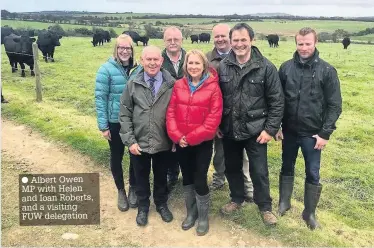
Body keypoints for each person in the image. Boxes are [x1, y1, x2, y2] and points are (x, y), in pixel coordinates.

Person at [218, 23, 284, 226]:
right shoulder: (223, 66)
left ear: (251, 40)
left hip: (257, 130)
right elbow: (217, 98)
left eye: (243, 40)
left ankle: (265, 207)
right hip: (229, 128)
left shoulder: (266, 67)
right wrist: (218, 124)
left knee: (259, 170)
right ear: (231, 42)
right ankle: (236, 199)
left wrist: (270, 129)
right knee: (232, 167)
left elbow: (277, 101)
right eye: (235, 40)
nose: (239, 44)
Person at [277, 27, 342, 230]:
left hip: (313, 135)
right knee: (286, 167)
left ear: (316, 43)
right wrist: (277, 126)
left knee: (312, 173)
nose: (303, 48)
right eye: (300, 44)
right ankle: (284, 202)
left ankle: (309, 213)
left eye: (308, 43)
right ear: (295, 44)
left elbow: (335, 105)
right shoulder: (286, 68)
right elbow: (278, 101)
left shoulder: (327, 71)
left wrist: (325, 133)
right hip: (288, 131)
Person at [166, 50, 222, 236]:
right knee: (187, 178)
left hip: (202, 144)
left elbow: (213, 120)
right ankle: (191, 212)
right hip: (181, 142)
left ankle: (203, 217)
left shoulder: (213, 87)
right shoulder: (179, 85)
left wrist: (189, 138)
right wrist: (176, 136)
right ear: (186, 65)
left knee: (199, 179)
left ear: (204, 65)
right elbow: (171, 113)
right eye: (190, 63)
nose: (193, 67)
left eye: (197, 63)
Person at [119, 45, 175, 226]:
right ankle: (143, 207)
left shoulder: (172, 84)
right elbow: (125, 113)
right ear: (142, 61)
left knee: (161, 176)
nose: (152, 63)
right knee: (141, 176)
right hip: (139, 142)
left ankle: (161, 204)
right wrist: (130, 141)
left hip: (163, 141)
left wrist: (174, 138)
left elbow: (178, 113)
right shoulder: (132, 84)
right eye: (148, 59)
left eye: (156, 59)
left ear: (161, 61)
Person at [206, 23, 254, 203]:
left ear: (231, 37)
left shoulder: (243, 57)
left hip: (241, 115)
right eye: (216, 36)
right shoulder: (207, 59)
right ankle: (218, 179)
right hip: (219, 115)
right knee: (219, 151)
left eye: (223, 36)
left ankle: (247, 186)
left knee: (243, 155)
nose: (220, 39)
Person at [95, 34, 139, 212]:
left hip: (135, 121)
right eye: (121, 48)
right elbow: (100, 98)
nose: (124, 51)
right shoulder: (105, 69)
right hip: (114, 121)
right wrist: (103, 126)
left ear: (132, 50)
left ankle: (133, 188)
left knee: (135, 155)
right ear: (116, 49)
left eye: (128, 48)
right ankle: (120, 189)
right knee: (116, 155)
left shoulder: (138, 69)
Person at [161, 26, 186, 190]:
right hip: (164, 111)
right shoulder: (158, 59)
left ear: (182, 41)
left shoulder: (190, 58)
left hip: (187, 112)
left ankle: (188, 176)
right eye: (169, 39)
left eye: (176, 39)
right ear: (164, 41)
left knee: (186, 145)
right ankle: (171, 175)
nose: (172, 42)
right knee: (167, 146)